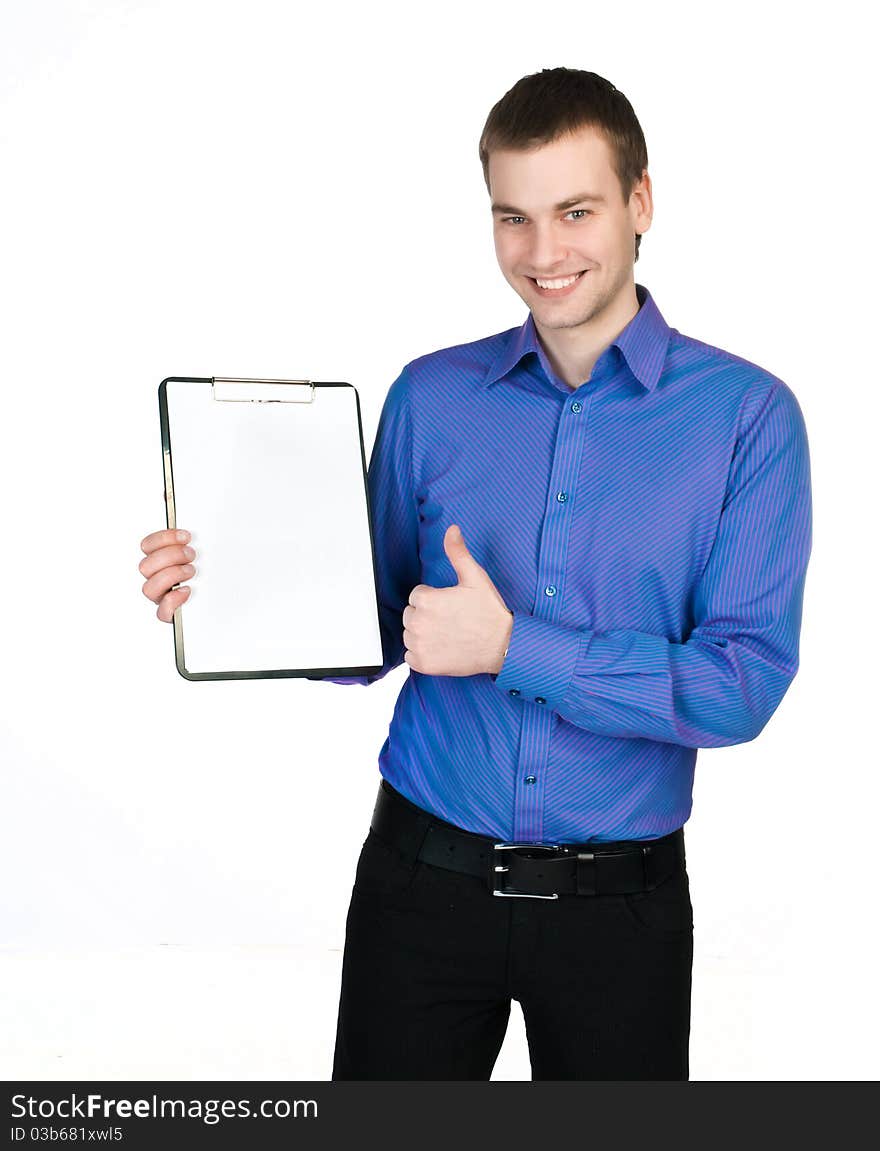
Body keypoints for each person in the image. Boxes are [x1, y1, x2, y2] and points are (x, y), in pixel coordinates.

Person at [138, 68, 812, 1081]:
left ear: (640, 202)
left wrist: (513, 649)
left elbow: (738, 685)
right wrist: (226, 588)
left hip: (618, 913)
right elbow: (365, 623)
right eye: (513, 217)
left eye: (574, 211)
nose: (543, 254)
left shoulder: (747, 420)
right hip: (419, 883)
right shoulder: (431, 394)